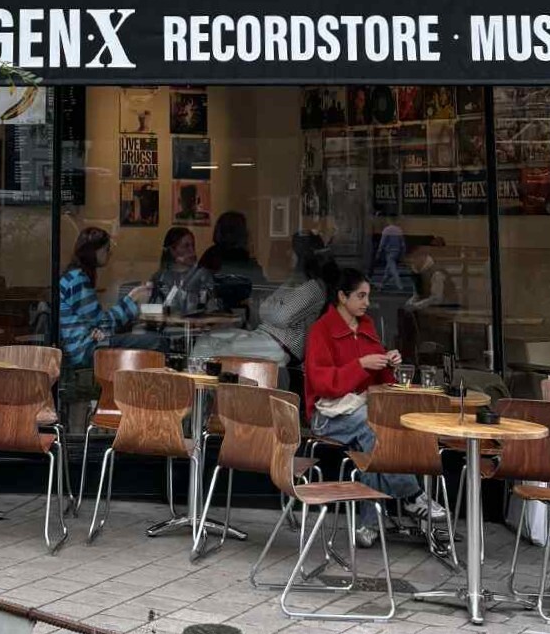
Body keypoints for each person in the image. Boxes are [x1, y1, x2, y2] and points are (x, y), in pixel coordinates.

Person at [304, 268, 445, 547]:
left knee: (371, 440)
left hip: (362, 412)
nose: (366, 302)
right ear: (342, 297)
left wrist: (386, 362)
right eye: (360, 295)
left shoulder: (366, 325)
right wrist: (361, 365)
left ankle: (368, 524)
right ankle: (411, 495)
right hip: (326, 415)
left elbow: (381, 380)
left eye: (368, 295)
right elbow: (323, 385)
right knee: (373, 426)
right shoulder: (321, 331)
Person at [191, 231, 328, 367]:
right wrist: (275, 307)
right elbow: (265, 310)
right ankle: (195, 383)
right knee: (207, 338)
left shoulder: (312, 287)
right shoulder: (294, 280)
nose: (288, 255)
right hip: (264, 335)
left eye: (291, 250)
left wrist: (275, 306)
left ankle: (197, 384)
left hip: (279, 346)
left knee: (215, 349)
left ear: (302, 255)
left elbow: (279, 317)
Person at [57, 228, 156, 368]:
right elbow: (102, 323)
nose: (110, 254)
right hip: (84, 350)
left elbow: (97, 324)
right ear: (94, 251)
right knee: (155, 342)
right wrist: (132, 299)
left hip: (82, 346)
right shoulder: (78, 279)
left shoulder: (73, 276)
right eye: (106, 249)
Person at [402, 243, 458, 312]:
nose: (412, 261)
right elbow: (417, 294)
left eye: (414, 257)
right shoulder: (417, 272)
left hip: (444, 310)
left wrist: (416, 306)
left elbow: (436, 299)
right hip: (427, 308)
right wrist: (409, 304)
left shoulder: (436, 273)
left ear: (423, 257)